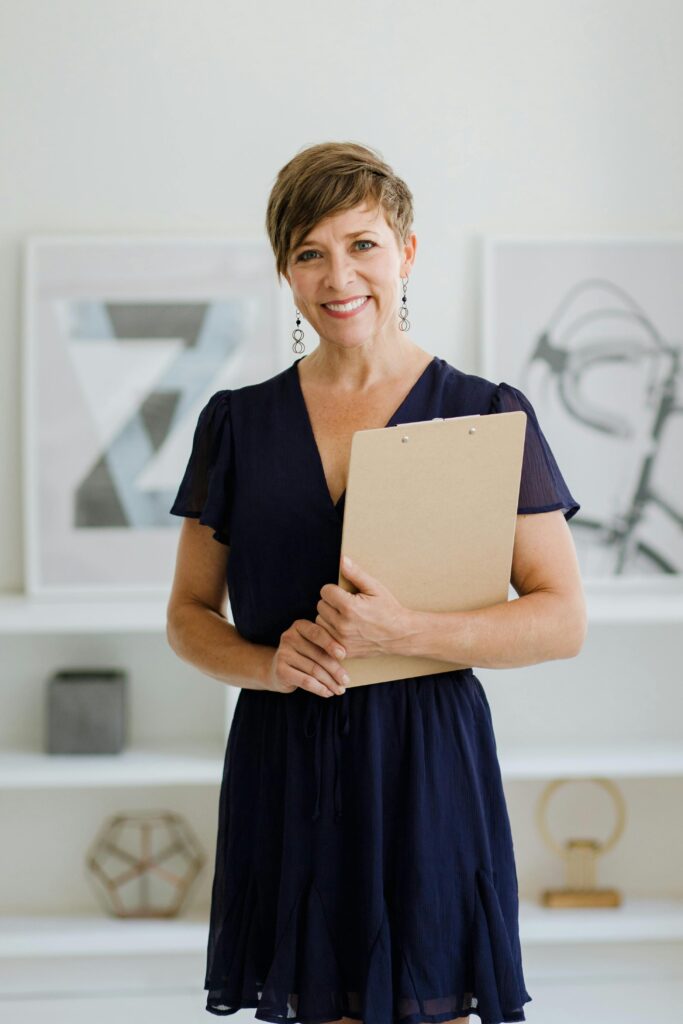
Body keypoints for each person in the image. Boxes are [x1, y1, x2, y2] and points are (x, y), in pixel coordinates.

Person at [167, 141, 586, 1024]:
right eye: (309, 252)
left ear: (406, 253)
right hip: (284, 761)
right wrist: (269, 664)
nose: (338, 275)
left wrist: (406, 633)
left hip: (425, 766)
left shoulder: (483, 412)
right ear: (285, 270)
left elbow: (558, 620)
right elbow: (188, 616)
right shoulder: (235, 423)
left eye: (361, 244)